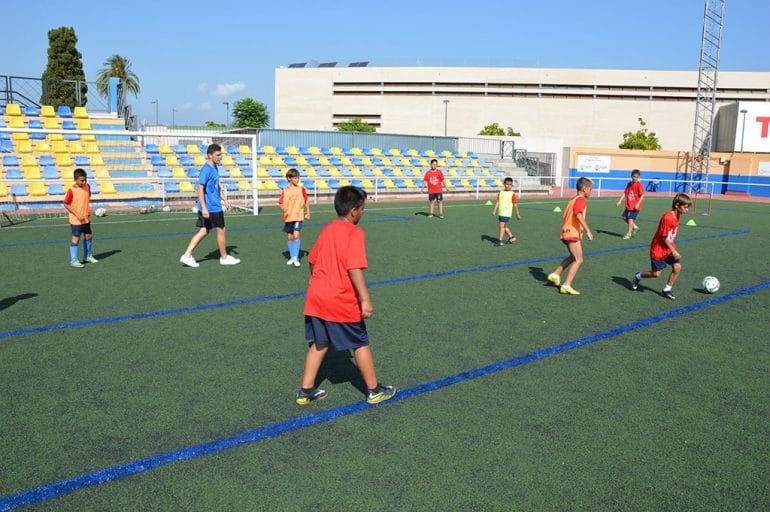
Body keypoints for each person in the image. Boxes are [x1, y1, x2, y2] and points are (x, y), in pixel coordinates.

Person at [296, 186, 396, 405]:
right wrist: (365, 299)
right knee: (360, 342)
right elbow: (354, 267)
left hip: (316, 297)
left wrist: (320, 282)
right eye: (362, 209)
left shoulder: (327, 229)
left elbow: (312, 260)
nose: (362, 213)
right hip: (340, 300)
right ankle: (374, 390)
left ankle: (306, 391)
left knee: (320, 342)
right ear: (353, 211)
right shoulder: (355, 233)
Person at [179, 143, 240, 267]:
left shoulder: (214, 167)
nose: (220, 157)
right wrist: (204, 208)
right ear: (210, 155)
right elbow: (200, 189)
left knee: (204, 231)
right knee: (221, 229)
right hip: (211, 207)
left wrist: (225, 200)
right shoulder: (206, 169)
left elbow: (216, 187)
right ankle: (224, 258)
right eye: (218, 155)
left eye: (220, 154)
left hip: (213, 206)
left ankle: (186, 255)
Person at [631, 193, 692, 300]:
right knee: (656, 274)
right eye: (685, 207)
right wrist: (674, 251)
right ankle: (638, 276)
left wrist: (672, 249)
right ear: (677, 205)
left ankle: (667, 289)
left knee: (677, 267)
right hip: (658, 250)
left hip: (668, 248)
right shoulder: (668, 218)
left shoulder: (677, 214)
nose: (687, 210)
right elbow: (664, 237)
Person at [547, 177, 594, 295]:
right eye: (590, 189)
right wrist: (588, 230)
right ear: (584, 189)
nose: (591, 192)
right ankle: (566, 285)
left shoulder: (573, 199)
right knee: (579, 260)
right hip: (572, 232)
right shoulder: (581, 199)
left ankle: (555, 274)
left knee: (573, 257)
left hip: (566, 231)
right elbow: (578, 215)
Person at [63, 168, 98, 268]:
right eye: (81, 180)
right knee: (76, 238)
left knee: (89, 236)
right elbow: (66, 204)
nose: (84, 182)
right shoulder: (71, 190)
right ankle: (74, 260)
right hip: (76, 220)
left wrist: (87, 211)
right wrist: (77, 214)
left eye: (85, 180)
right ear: (75, 179)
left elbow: (86, 199)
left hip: (86, 218)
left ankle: (87, 256)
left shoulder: (88, 187)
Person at [279, 168, 311, 267]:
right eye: (295, 178)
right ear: (289, 178)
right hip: (289, 217)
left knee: (296, 235)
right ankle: (292, 257)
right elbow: (280, 203)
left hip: (298, 216)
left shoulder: (301, 189)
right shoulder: (285, 191)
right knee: (290, 237)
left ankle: (296, 258)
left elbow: (306, 200)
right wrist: (283, 209)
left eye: (298, 178)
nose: (297, 180)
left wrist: (308, 212)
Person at [491, 177, 521, 246]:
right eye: (507, 184)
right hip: (501, 213)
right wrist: (494, 210)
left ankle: (500, 241)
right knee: (504, 227)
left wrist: (518, 214)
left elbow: (515, 205)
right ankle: (512, 237)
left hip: (506, 213)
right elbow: (498, 202)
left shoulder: (512, 194)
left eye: (510, 184)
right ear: (504, 184)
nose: (508, 186)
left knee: (501, 226)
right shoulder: (501, 192)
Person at [615, 169, 645, 239]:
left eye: (637, 177)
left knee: (630, 219)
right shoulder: (629, 184)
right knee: (624, 218)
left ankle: (629, 234)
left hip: (635, 206)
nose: (635, 178)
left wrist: (638, 204)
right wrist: (620, 201)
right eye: (634, 176)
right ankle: (635, 227)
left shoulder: (639, 184)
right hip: (629, 205)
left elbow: (642, 195)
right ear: (631, 176)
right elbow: (625, 193)